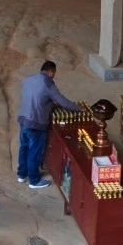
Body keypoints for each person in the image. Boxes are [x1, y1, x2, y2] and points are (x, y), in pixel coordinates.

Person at [16, 59, 79, 189]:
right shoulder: (48, 83)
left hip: (23, 119)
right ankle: (34, 180)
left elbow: (34, 95)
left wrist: (47, 102)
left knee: (24, 147)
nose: (54, 75)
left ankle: (21, 175)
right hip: (36, 123)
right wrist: (79, 108)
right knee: (34, 151)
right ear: (51, 72)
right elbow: (62, 101)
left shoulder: (29, 79)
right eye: (54, 73)